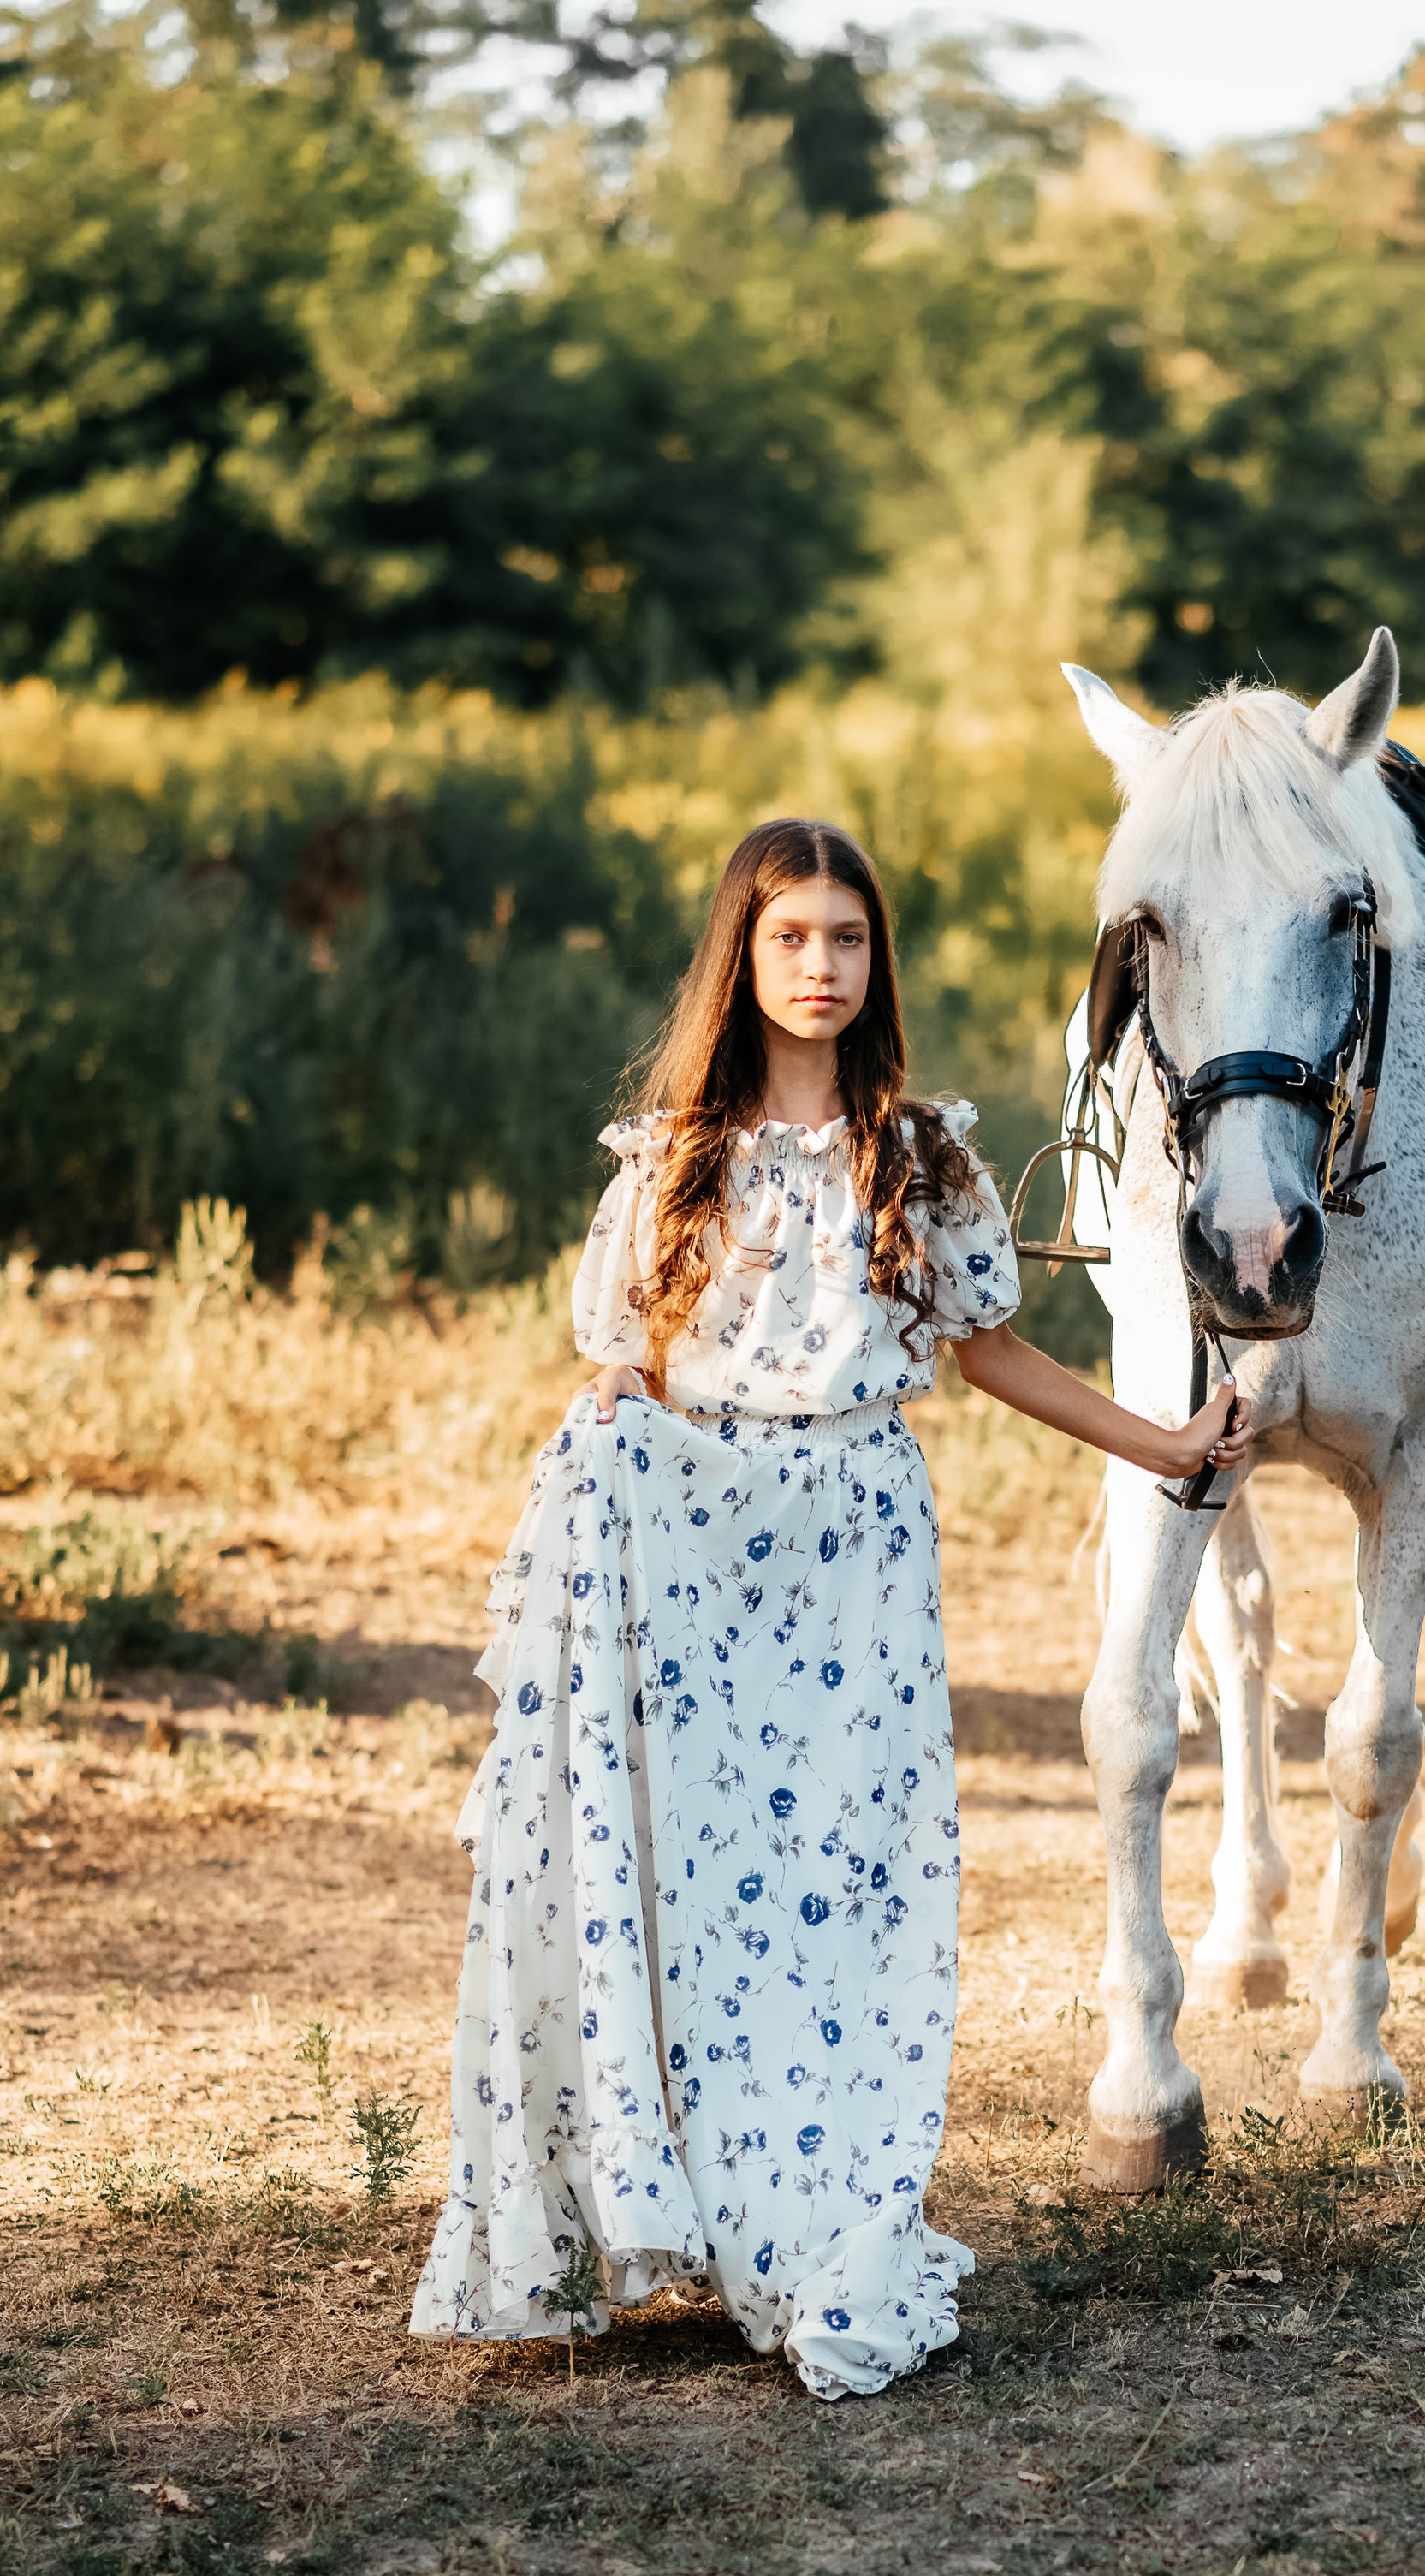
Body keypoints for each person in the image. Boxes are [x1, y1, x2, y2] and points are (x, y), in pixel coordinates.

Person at [408, 816, 1247, 2397]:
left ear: (878, 963)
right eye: (790, 937)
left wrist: (1171, 1442)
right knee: (699, 1892)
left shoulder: (922, 1155)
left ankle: (819, 2218)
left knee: (853, 1889)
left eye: (847, 940)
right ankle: (681, 2209)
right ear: (745, 954)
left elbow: (990, 1353)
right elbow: (626, 1370)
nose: (820, 967)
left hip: (855, 1558)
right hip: (689, 1561)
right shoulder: (671, 1163)